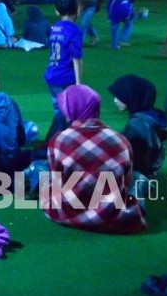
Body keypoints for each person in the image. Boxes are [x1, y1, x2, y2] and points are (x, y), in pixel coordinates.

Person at [44, 84, 147, 234]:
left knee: (43, 173)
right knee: (141, 179)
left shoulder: (59, 140)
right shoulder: (121, 140)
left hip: (65, 214)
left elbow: (56, 181)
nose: (66, 116)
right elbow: (127, 180)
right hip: (113, 217)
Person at [108, 75, 167, 179]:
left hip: (135, 177)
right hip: (148, 173)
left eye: (120, 96)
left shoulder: (138, 125)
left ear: (132, 96)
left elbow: (123, 155)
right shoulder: (152, 117)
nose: (115, 100)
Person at [43, 0, 83, 139]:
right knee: (67, 112)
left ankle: (58, 141)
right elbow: (76, 58)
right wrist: (78, 84)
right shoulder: (74, 29)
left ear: (57, 11)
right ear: (76, 10)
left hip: (51, 75)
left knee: (59, 110)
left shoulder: (55, 27)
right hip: (65, 77)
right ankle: (56, 143)